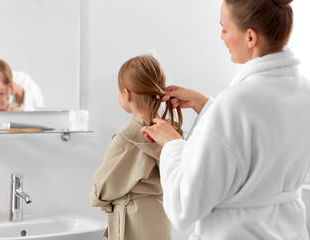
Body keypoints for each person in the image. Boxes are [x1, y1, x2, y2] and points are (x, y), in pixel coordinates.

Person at [141, 0, 310, 239]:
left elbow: (184, 207)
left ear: (250, 37)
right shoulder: (303, 90)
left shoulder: (235, 104)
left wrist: (172, 144)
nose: (221, 37)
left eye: (224, 29)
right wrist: (206, 106)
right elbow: (260, 140)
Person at [89, 55, 183, 240]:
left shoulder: (128, 136)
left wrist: (99, 197)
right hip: (159, 213)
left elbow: (104, 183)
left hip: (134, 218)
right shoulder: (169, 131)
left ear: (127, 93)